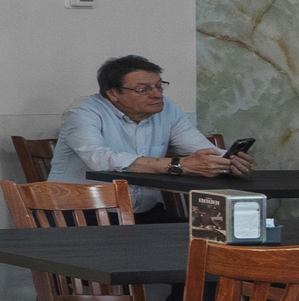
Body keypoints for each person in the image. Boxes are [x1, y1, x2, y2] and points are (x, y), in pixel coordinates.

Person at [49, 55, 246, 221]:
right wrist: (178, 165)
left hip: (143, 213)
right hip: (79, 214)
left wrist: (228, 160)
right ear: (113, 93)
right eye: (143, 89)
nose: (156, 94)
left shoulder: (167, 109)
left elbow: (199, 149)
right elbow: (99, 158)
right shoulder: (83, 112)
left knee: (211, 238)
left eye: (159, 86)